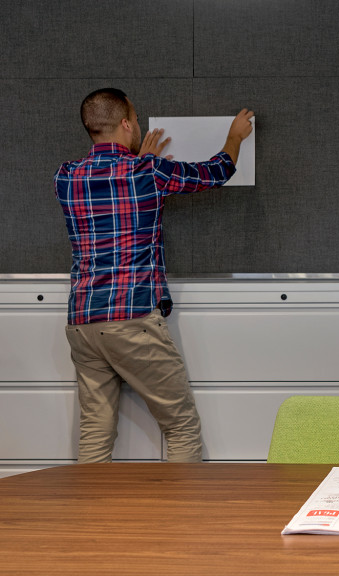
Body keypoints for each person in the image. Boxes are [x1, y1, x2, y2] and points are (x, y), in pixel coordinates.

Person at [54, 87, 254, 463]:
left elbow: (114, 195)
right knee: (181, 428)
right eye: (135, 118)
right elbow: (217, 171)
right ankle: (180, 505)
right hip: (131, 320)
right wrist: (235, 136)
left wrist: (139, 160)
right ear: (127, 123)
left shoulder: (66, 177)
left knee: (95, 432)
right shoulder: (149, 172)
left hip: (82, 323)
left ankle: (90, 504)